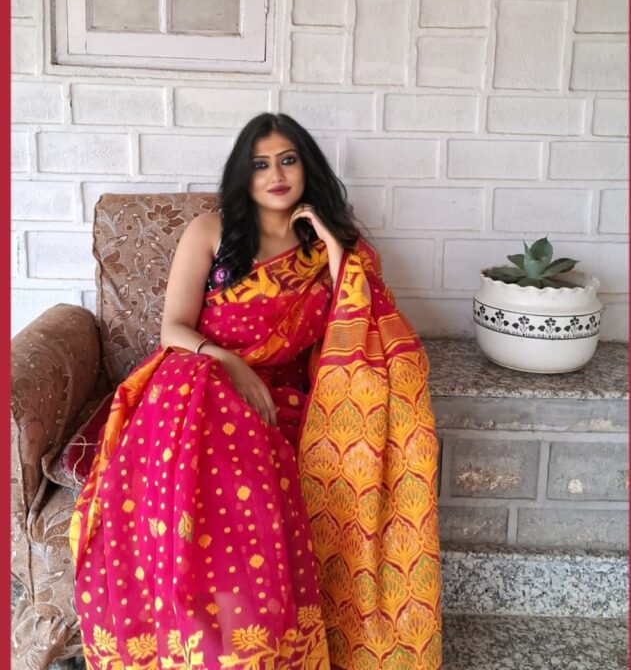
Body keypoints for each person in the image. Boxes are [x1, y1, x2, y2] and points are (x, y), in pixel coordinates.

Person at [70, 112, 442, 670]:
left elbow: (357, 323)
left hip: (282, 389)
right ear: (243, 175)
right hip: (199, 372)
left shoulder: (332, 247)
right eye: (261, 164)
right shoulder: (211, 231)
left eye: (288, 160)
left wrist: (332, 244)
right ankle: (206, 643)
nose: (276, 174)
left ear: (307, 167)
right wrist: (229, 364)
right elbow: (173, 329)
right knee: (206, 397)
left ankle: (258, 646)